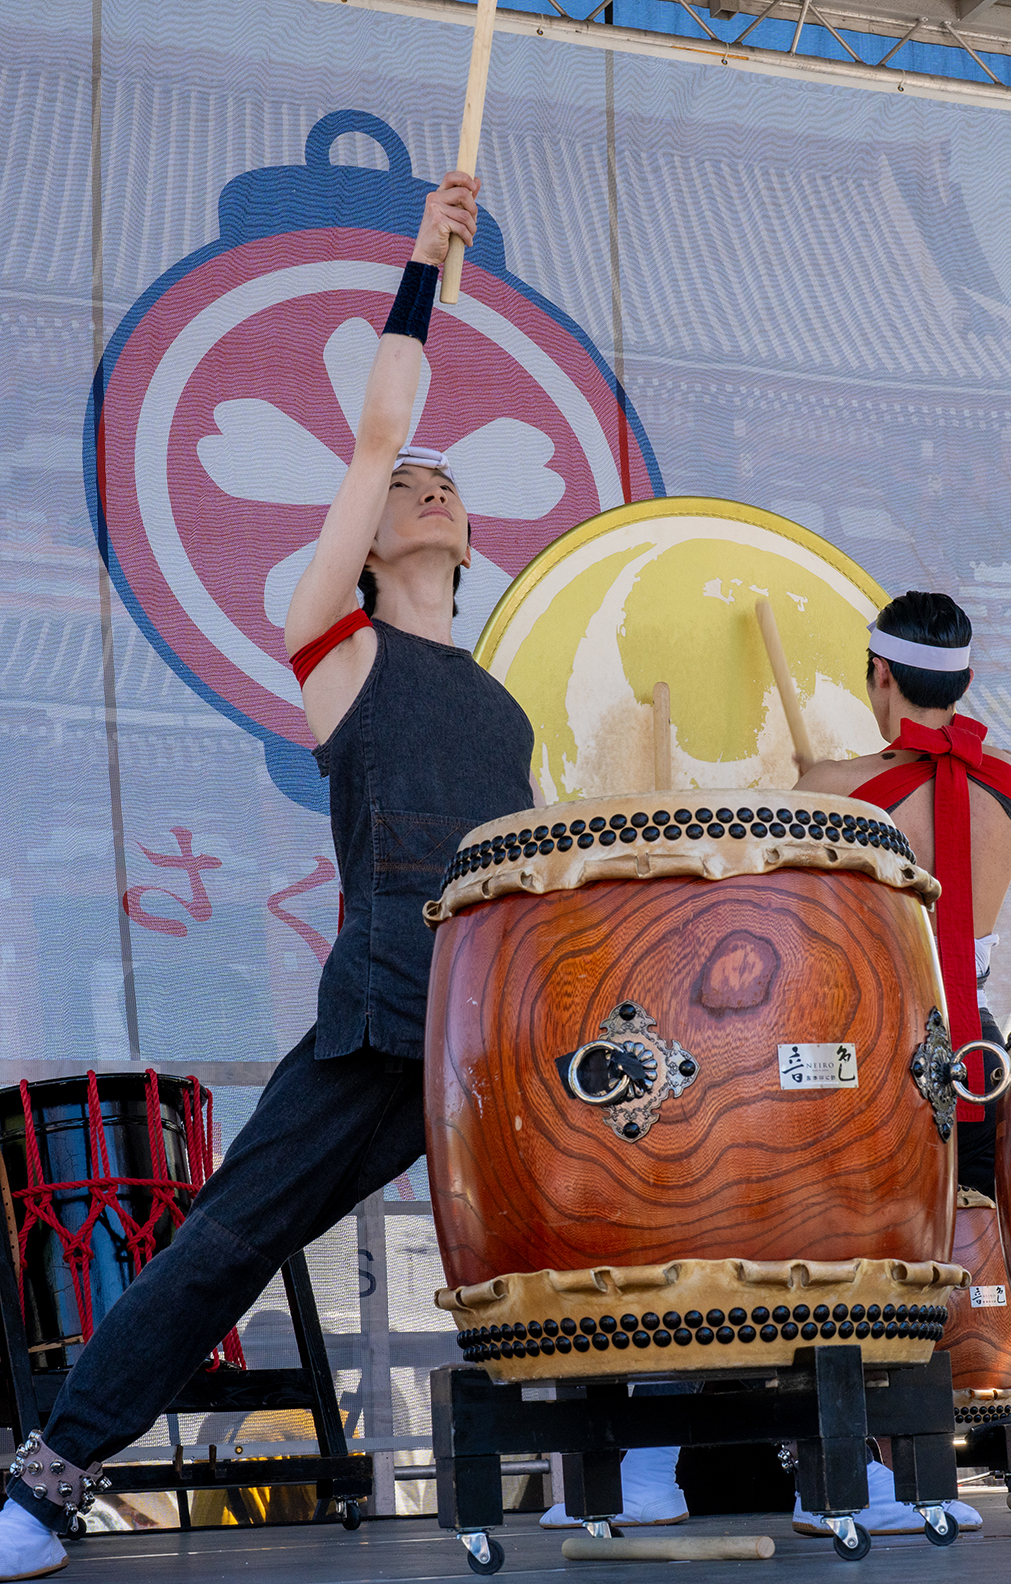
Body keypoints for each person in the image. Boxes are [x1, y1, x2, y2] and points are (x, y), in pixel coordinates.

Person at [0, 170, 539, 1582]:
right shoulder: (340, 647)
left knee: (592, 1214)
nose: (427, 485)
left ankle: (666, 1449)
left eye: (446, 486)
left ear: (470, 541)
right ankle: (47, 1480)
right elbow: (376, 427)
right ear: (361, 543)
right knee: (235, 1231)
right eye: (406, 486)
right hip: (383, 1009)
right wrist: (425, 266)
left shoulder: (503, 707)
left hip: (491, 1028)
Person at [791, 589, 1011, 1538]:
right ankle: (930, 1478)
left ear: (878, 677)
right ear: (962, 680)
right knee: (938, 1260)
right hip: (973, 1047)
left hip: (880, 1044)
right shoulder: (1007, 783)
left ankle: (856, 1477)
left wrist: (812, 775)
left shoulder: (835, 787)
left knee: (860, 1261)